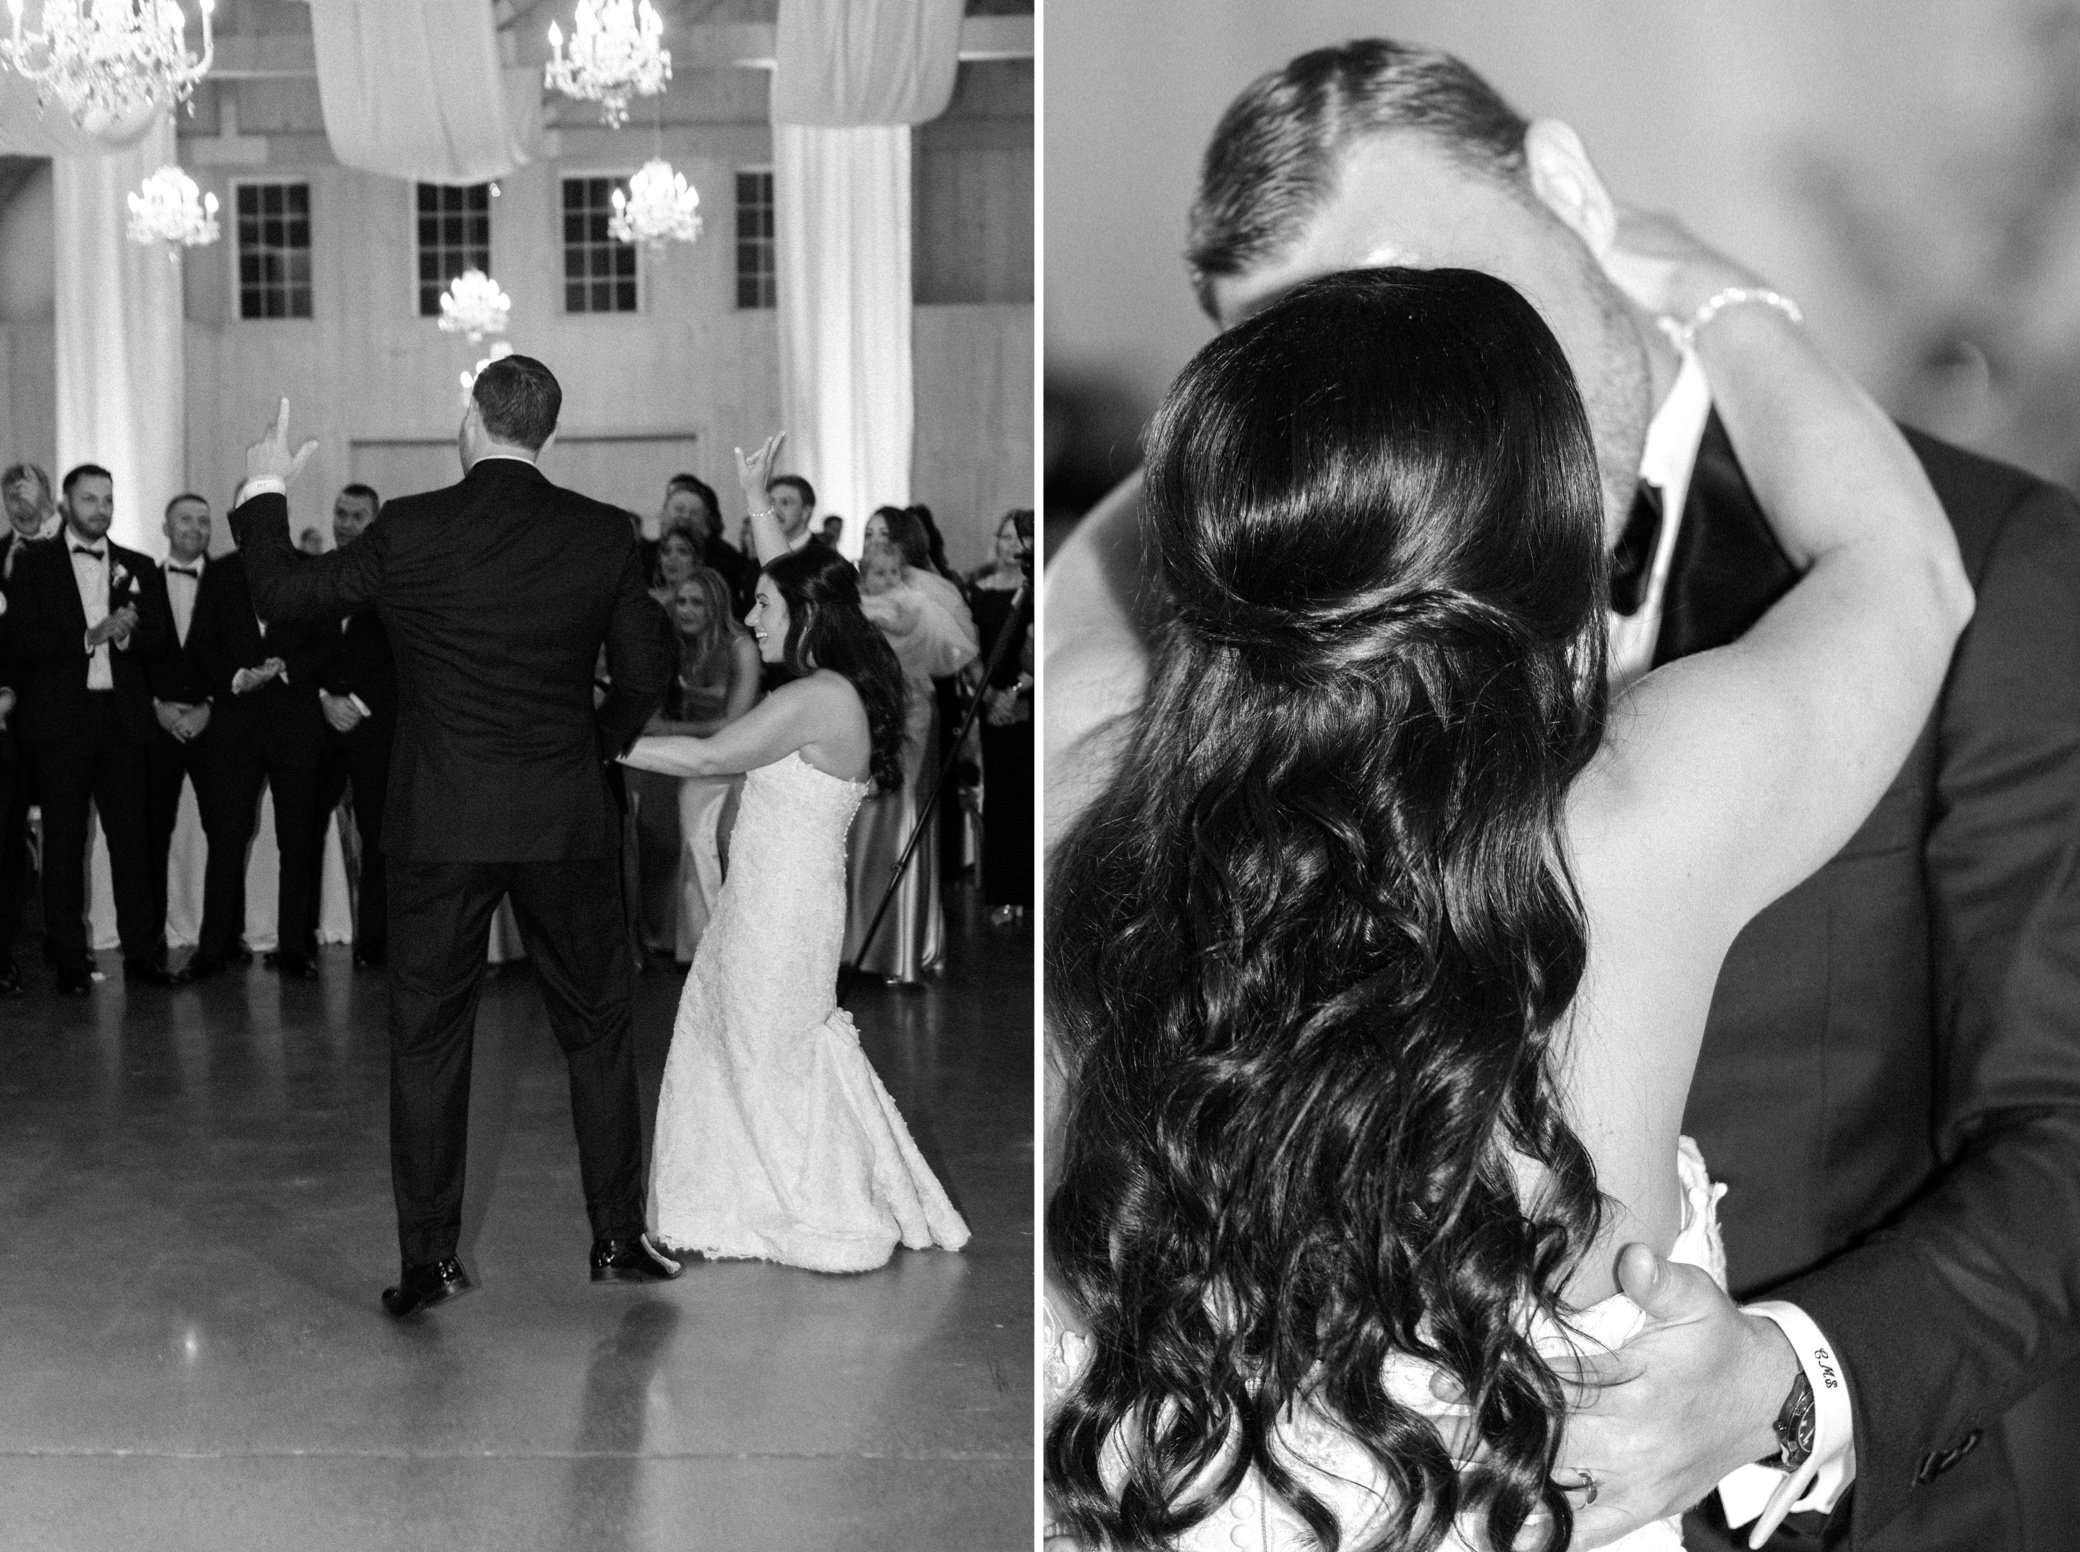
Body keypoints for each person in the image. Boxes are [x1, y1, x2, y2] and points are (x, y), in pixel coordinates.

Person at [1046, 38, 2080, 1552]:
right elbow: (1894, 573)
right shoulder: (1641, 817)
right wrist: (1723, 295)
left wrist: (1790, 1387)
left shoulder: (1103, 799)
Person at [229, 359, 679, 1317]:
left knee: (428, 1040)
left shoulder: (413, 526)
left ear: (472, 417)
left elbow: (282, 590)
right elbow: (647, 670)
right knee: (598, 1031)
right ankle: (615, 1238)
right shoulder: (603, 533)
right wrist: (590, 747)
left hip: (440, 819)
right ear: (547, 430)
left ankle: (428, 1262)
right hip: (561, 815)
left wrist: (266, 484)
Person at [619, 432, 969, 1272]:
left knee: (767, 1051)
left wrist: (600, 742)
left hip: (783, 914)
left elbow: (708, 757)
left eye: (762, 613)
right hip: (767, 901)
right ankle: (732, 1193)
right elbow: (795, 587)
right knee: (737, 1042)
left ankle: (803, 1202)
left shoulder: (818, 697)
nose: (749, 618)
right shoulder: (827, 671)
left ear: (803, 622)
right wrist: (752, 500)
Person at [2, 464, 176, 993]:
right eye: (89, 499)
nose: (100, 509)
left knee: (132, 842)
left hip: (123, 724)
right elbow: (21, 644)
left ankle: (144, 956)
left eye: (107, 499)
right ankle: (72, 963)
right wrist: (89, 635)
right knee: (64, 845)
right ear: (65, 503)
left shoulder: (138, 565)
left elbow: (162, 641)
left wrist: (125, 639)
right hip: (60, 726)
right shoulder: (32, 566)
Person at [186, 496, 336, 982]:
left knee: (299, 837)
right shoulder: (223, 574)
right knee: (227, 835)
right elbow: (201, 646)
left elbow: (329, 643)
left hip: (295, 723)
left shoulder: (310, 570)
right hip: (235, 727)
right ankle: (213, 948)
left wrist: (287, 667)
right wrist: (234, 677)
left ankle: (295, 948)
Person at [847, 541, 977, 981]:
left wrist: (874, 613)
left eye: (893, 572)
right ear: (863, 574)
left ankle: (900, 942)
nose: (887, 580)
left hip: (909, 710)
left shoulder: (909, 605)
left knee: (901, 805)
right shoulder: (855, 605)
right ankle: (860, 938)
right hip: (869, 709)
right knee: (863, 813)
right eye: (878, 573)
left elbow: (902, 624)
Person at [634, 565, 761, 960]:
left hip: (738, 759)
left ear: (717, 605)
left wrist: (669, 730)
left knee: (704, 838)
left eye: (697, 603)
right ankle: (673, 937)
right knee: (655, 826)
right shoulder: (674, 644)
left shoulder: (741, 647)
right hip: (691, 754)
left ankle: (711, 945)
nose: (686, 610)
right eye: (681, 602)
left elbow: (737, 724)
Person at [142, 493, 230, 969]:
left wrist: (208, 707)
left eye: (203, 520)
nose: (195, 528)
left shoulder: (230, 581)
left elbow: (238, 650)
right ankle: (150, 933)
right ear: (165, 526)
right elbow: (132, 660)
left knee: (226, 833)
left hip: (213, 726)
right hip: (158, 728)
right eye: (184, 520)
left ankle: (222, 938)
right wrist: (157, 708)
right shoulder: (140, 581)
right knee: (153, 830)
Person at [312, 483, 396, 970]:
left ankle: (374, 941)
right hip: (321, 726)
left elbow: (399, 658)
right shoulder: (316, 575)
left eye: (357, 516)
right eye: (340, 513)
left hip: (376, 729)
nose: (345, 524)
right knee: (302, 830)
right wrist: (326, 698)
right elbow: (303, 645)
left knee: (378, 836)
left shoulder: (394, 579)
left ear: (375, 521)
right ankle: (300, 939)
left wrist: (358, 703)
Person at [967, 509, 1032, 929]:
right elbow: (968, 650)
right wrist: (990, 695)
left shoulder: (1034, 591)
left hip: (1028, 699)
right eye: (1005, 537)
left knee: (1027, 798)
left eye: (1020, 538)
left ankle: (1029, 891)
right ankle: (1003, 893)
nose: (1011, 546)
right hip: (992, 704)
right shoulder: (979, 590)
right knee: (1001, 801)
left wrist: (1017, 692)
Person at [767, 472, 817, 551]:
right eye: (770, 502)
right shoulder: (761, 556)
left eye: (785, 502)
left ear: (805, 512)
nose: (773, 510)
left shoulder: (827, 560)